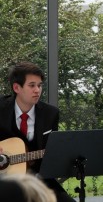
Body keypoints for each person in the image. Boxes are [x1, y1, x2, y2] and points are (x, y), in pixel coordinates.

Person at [0, 61, 76, 202]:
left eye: (40, 85)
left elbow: (51, 152)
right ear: (16, 87)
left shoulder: (50, 114)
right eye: (32, 85)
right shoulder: (1, 108)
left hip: (39, 179)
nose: (37, 90)